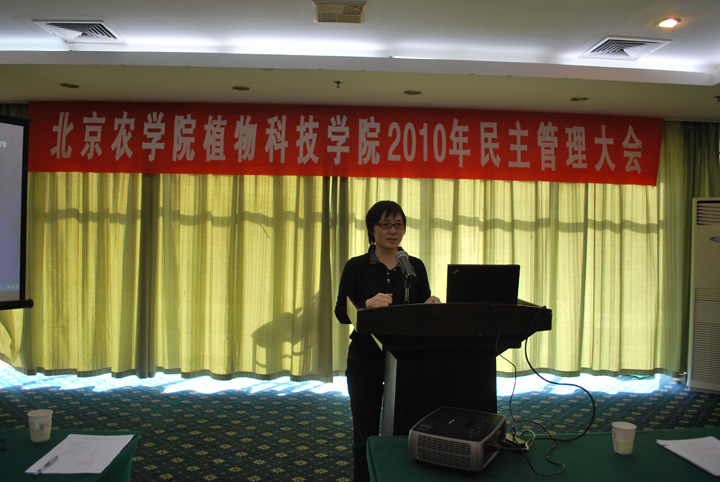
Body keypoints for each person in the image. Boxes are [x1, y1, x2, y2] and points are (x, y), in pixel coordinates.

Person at [334, 200, 441, 482]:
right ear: (372, 230)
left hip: (406, 358)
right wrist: (366, 304)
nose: (393, 231)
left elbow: (420, 309)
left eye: (398, 225)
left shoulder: (413, 266)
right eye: (385, 225)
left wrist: (429, 306)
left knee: (406, 430)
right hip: (365, 357)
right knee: (365, 431)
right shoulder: (356, 266)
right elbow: (340, 312)